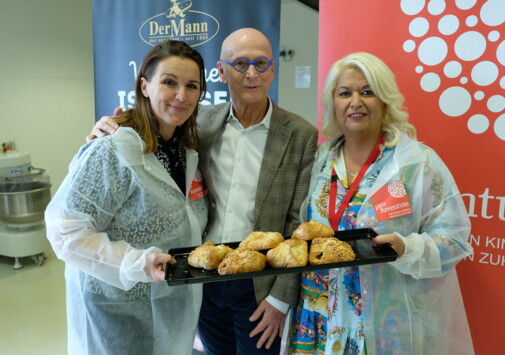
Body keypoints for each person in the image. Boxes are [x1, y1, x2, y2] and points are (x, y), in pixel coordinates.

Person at [88, 28, 319, 354]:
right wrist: (107, 129)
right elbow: (152, 133)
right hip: (202, 275)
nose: (251, 73)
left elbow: (299, 220)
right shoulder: (200, 123)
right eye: (239, 63)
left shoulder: (301, 134)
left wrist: (280, 299)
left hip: (259, 283)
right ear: (221, 72)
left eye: (261, 63)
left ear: (272, 69)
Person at [287, 52, 474, 354]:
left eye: (367, 91)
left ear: (384, 100)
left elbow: (454, 238)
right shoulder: (319, 161)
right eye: (344, 93)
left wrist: (406, 248)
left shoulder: (415, 163)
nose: (355, 102)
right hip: (316, 317)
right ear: (333, 103)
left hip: (382, 325)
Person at [45, 39, 208, 355]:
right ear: (145, 86)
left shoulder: (186, 150)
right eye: (169, 82)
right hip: (115, 313)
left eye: (192, 86)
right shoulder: (113, 147)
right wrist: (138, 262)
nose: (181, 96)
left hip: (169, 308)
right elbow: (65, 230)